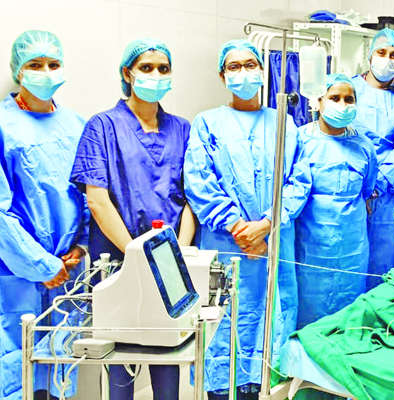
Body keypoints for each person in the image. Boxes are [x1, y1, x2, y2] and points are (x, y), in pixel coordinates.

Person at [0, 30, 87, 400]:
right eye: (35, 64)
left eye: (53, 64)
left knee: (58, 377)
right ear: (18, 70)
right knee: (9, 379)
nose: (45, 72)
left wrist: (79, 247)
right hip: (10, 277)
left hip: (66, 275)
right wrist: (41, 265)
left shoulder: (76, 125)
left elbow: (89, 196)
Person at [69, 38, 194, 400]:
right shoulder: (102, 126)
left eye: (163, 69)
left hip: (170, 262)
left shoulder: (182, 129)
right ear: (127, 74)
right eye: (146, 68)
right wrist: (139, 256)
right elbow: (97, 200)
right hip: (117, 260)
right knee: (120, 362)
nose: (156, 75)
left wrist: (176, 255)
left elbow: (192, 198)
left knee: (169, 357)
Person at [183, 40, 299, 400]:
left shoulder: (284, 122)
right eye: (234, 67)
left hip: (272, 245)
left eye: (250, 64)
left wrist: (266, 225)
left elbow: (298, 181)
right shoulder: (206, 123)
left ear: (263, 71)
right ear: (222, 76)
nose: (243, 72)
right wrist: (238, 228)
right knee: (224, 326)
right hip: (227, 246)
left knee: (267, 325)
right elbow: (198, 181)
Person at [272, 74, 378, 327]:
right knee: (309, 310)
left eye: (349, 99)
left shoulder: (364, 146)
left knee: (348, 310)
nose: (342, 105)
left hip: (352, 246)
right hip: (310, 246)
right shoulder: (299, 140)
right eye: (334, 98)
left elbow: (367, 189)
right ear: (318, 102)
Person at [350, 28, 394, 286]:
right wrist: (360, 187)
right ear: (370, 55)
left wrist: (375, 187)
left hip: (385, 197)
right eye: (381, 52)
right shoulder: (349, 89)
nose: (387, 59)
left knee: (380, 270)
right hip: (350, 190)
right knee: (347, 264)